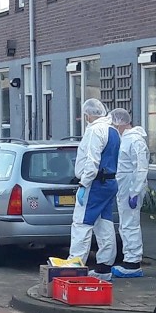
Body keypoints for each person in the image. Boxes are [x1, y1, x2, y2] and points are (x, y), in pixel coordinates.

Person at [68, 99, 120, 281]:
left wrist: (84, 184)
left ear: (88, 114)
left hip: (95, 184)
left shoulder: (94, 131)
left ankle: (75, 265)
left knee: (81, 224)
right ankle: (104, 267)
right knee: (104, 224)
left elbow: (92, 160)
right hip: (109, 183)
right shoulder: (113, 131)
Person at [110, 108, 149, 278]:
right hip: (125, 186)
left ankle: (133, 262)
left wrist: (135, 191)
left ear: (120, 123)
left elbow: (141, 168)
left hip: (130, 187)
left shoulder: (135, 141)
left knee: (130, 223)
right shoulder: (125, 139)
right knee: (126, 224)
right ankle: (129, 259)